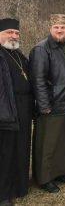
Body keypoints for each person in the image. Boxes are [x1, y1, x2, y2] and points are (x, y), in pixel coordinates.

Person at [29, 14, 65, 193]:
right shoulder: (41, 49)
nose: (59, 30)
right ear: (51, 29)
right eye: (56, 27)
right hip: (51, 105)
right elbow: (38, 80)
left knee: (64, 142)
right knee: (48, 145)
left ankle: (61, 171)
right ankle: (45, 178)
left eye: (63, 27)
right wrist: (44, 105)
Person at [0, 18, 34, 205]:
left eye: (16, 33)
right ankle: (4, 193)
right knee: (5, 153)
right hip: (6, 110)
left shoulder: (19, 55)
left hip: (24, 108)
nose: (13, 36)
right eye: (9, 32)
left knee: (21, 147)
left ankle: (20, 185)